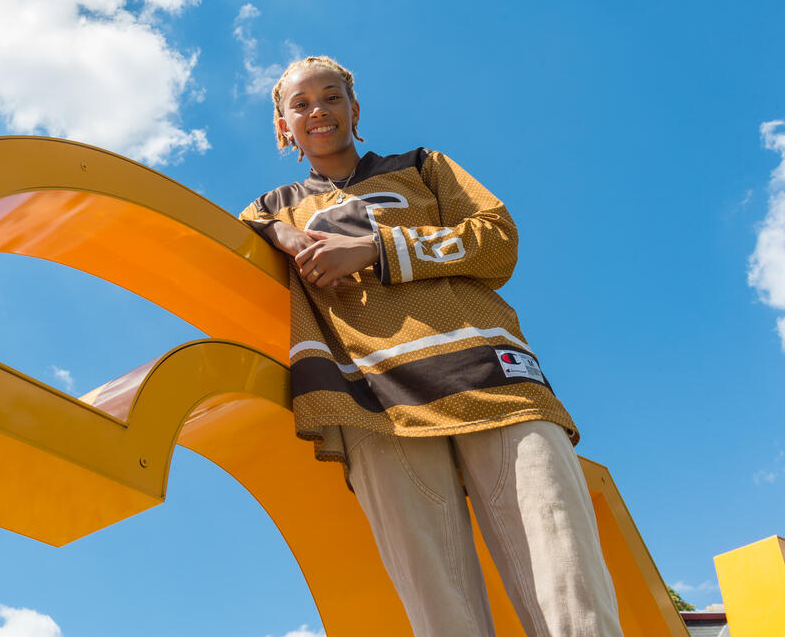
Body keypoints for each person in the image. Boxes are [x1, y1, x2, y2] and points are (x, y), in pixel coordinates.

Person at [239, 56, 623, 637]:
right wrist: (283, 233)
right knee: (442, 615)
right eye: (300, 103)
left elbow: (497, 240)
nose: (318, 110)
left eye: (332, 96)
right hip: (375, 406)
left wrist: (373, 249)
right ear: (281, 125)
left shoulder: (422, 167)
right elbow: (243, 227)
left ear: (355, 109)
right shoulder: (273, 207)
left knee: (569, 585)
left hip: (493, 379)